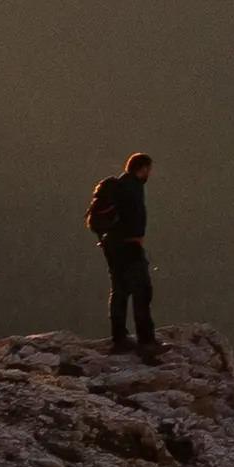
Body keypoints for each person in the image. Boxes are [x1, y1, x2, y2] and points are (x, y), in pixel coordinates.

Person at [85, 152, 155, 358]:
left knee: (120, 291)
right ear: (143, 168)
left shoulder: (117, 186)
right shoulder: (134, 188)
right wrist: (137, 238)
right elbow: (136, 219)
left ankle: (120, 338)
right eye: (149, 169)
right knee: (142, 290)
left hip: (111, 247)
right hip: (129, 247)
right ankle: (146, 340)